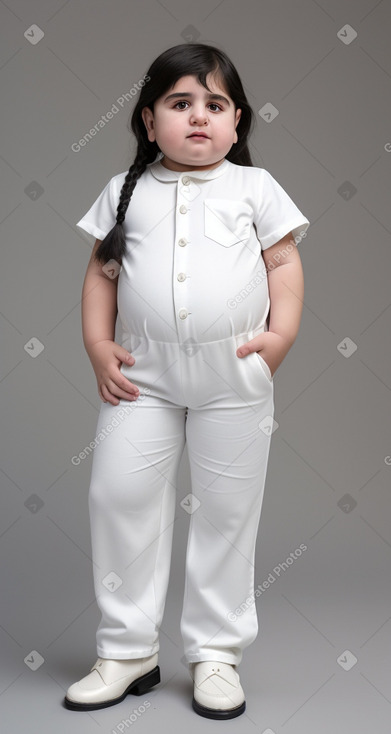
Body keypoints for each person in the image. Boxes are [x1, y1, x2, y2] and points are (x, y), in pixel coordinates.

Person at [64, 42, 310, 720]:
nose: (198, 116)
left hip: (234, 377)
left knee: (227, 516)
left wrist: (278, 341)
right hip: (143, 376)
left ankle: (215, 654)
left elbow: (284, 268)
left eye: (215, 104)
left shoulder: (254, 189)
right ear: (148, 121)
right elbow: (99, 274)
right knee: (118, 496)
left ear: (237, 122)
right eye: (180, 103)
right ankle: (126, 649)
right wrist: (96, 345)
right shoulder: (122, 192)